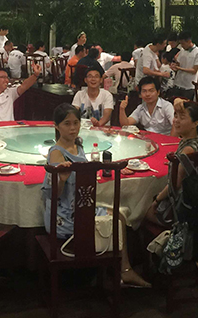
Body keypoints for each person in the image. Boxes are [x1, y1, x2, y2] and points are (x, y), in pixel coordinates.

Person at [42, 104, 150, 288]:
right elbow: (54, 195)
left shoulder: (78, 146)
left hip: (81, 206)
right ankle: (123, 271)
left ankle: (122, 270)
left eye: (76, 123)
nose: (73, 128)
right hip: (64, 216)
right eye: (67, 123)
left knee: (120, 216)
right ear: (57, 126)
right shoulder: (57, 153)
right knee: (117, 218)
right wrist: (62, 180)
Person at [145, 102, 198, 226]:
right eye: (176, 116)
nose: (176, 120)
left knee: (142, 207)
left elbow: (175, 184)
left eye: (182, 117)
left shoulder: (188, 150)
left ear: (195, 124)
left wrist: (156, 201)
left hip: (182, 205)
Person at [170, 31, 198, 100]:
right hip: (178, 83)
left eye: (183, 43)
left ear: (189, 41)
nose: (182, 45)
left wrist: (179, 68)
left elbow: (194, 70)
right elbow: (179, 63)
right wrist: (175, 65)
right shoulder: (182, 50)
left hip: (189, 86)